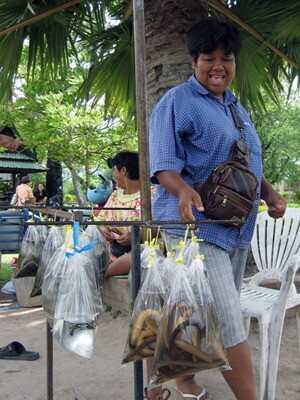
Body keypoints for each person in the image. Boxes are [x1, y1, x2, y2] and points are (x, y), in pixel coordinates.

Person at [148, 18, 286, 400]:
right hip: (197, 226)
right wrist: (182, 190)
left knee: (190, 310)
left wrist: (270, 193)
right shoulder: (176, 101)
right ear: (194, 60)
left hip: (236, 228)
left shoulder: (237, 109)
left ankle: (168, 382)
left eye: (226, 58)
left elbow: (246, 164)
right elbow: (163, 164)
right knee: (227, 320)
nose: (218, 66)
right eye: (209, 57)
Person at [95, 151, 154, 279]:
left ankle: (102, 274)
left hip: (140, 250)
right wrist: (103, 229)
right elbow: (100, 219)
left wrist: (135, 236)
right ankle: (106, 268)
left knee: (136, 257)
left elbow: (161, 228)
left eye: (114, 170)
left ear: (123, 170)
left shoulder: (152, 195)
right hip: (112, 249)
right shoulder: (116, 195)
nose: (113, 175)